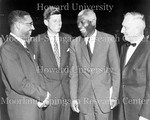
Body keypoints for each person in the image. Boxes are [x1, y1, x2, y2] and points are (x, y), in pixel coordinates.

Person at [69, 9, 120, 120]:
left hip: (104, 98)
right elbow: (73, 74)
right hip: (84, 100)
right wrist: (73, 98)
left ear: (93, 22)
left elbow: (115, 71)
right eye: (78, 23)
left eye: (83, 23)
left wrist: (114, 96)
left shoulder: (109, 40)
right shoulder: (75, 43)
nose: (79, 26)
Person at [0, 10, 50, 120]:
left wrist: (44, 95)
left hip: (36, 107)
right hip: (23, 112)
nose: (33, 28)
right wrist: (43, 95)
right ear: (18, 25)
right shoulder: (8, 48)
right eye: (30, 24)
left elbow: (37, 73)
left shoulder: (26, 46)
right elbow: (19, 83)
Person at [31, 6, 72, 120]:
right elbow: (35, 71)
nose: (59, 24)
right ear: (46, 22)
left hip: (66, 95)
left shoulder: (68, 39)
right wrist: (42, 95)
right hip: (49, 96)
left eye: (60, 20)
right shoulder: (37, 41)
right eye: (55, 21)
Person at [118, 12, 150, 120]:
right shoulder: (123, 48)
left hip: (140, 113)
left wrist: (145, 115)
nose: (122, 30)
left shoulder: (148, 49)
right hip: (123, 111)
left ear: (137, 29)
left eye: (125, 27)